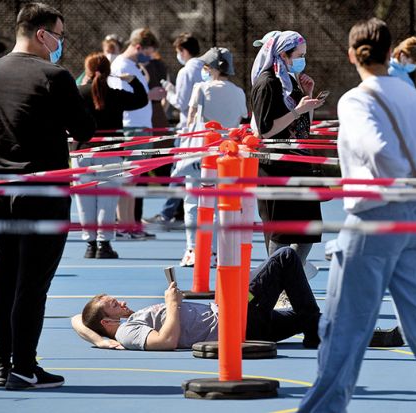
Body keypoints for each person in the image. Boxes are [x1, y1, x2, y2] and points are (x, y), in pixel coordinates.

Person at [297, 18, 416, 413]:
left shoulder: (356, 99)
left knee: (342, 330)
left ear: (352, 55)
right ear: (392, 53)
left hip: (375, 216)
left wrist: (391, 181)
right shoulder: (413, 98)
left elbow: (379, 148)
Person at [0, 2, 95, 390]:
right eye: (59, 34)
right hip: (43, 193)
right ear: (43, 34)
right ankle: (23, 364)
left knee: (3, 281)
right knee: (32, 283)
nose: (61, 43)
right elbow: (84, 129)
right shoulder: (53, 76)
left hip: (0, 192)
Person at [72, 247, 321, 350]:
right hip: (236, 317)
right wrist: (171, 304)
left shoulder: (115, 325)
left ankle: (327, 331)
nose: (122, 303)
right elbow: (166, 341)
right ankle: (315, 332)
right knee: (284, 257)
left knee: (309, 317)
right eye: (115, 306)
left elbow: (77, 319)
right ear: (107, 322)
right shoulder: (127, 332)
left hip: (246, 322)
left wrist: (99, 340)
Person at [250, 30, 324, 277]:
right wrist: (296, 111)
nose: (302, 60)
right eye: (299, 55)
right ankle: (274, 283)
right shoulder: (267, 83)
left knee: (309, 228)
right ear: (283, 54)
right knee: (280, 231)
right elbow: (266, 130)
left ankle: (293, 273)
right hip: (275, 165)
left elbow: (303, 128)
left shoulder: (291, 81)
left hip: (299, 160)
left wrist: (308, 98)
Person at [171, 47, 248, 267]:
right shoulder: (238, 92)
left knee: (193, 202)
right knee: (219, 204)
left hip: (202, 152)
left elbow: (191, 121)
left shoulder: (201, 88)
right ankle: (215, 251)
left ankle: (194, 250)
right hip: (228, 153)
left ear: (212, 68)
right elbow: (240, 119)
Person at [75, 52, 149, 259]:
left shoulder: (78, 93)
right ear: (109, 72)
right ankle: (104, 244)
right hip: (111, 153)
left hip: (82, 152)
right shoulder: (115, 94)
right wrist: (132, 79)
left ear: (87, 71)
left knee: (85, 201)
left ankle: (90, 244)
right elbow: (141, 99)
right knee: (107, 202)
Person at [109, 28, 165, 240]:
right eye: (149, 52)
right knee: (128, 178)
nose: (150, 57)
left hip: (141, 127)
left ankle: (129, 223)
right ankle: (123, 225)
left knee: (134, 178)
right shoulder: (121, 65)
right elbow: (120, 98)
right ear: (139, 47)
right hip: (131, 127)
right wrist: (148, 95)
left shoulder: (134, 66)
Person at [143, 33, 203, 227]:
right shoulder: (205, 68)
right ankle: (174, 211)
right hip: (203, 128)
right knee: (197, 173)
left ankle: (168, 212)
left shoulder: (186, 71)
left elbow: (182, 103)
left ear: (183, 51)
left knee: (179, 171)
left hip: (189, 129)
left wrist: (169, 91)